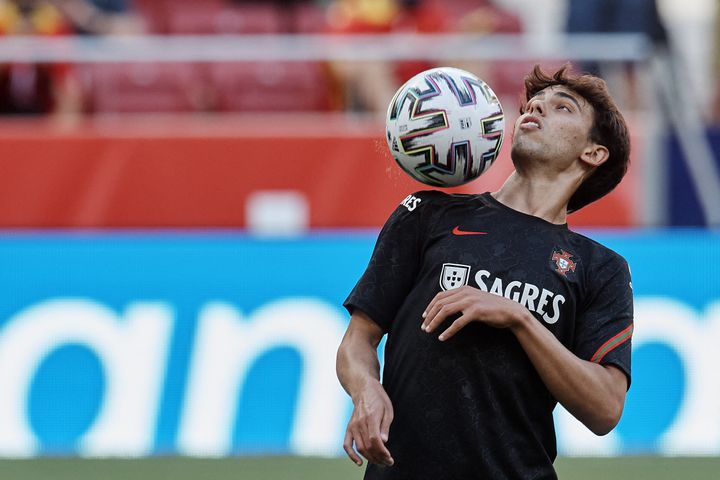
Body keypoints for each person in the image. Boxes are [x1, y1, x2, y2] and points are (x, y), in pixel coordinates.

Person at [337, 64, 633, 479]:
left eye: (562, 107)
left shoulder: (599, 268)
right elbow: (358, 340)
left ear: (594, 152)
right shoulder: (427, 214)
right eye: (533, 103)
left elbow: (605, 408)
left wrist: (519, 318)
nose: (536, 109)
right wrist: (365, 390)